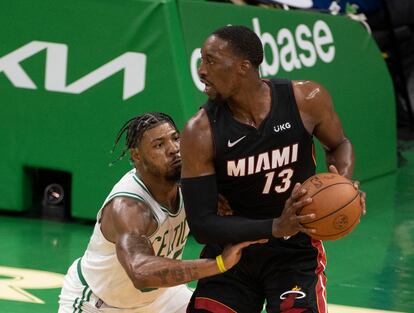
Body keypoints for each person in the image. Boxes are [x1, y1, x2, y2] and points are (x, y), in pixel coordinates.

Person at [180, 26, 366, 313]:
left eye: (211, 60)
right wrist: (276, 226)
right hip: (232, 253)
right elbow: (202, 225)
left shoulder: (306, 98)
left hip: (295, 251)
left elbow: (340, 143)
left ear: (243, 67)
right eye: (201, 61)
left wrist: (342, 185)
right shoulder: (200, 131)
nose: (202, 71)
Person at [58, 112, 265, 313]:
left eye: (175, 138)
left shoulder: (191, 180)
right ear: (136, 155)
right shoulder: (128, 208)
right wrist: (218, 263)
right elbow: (140, 272)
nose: (174, 149)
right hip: (98, 303)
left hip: (162, 299)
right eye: (159, 145)